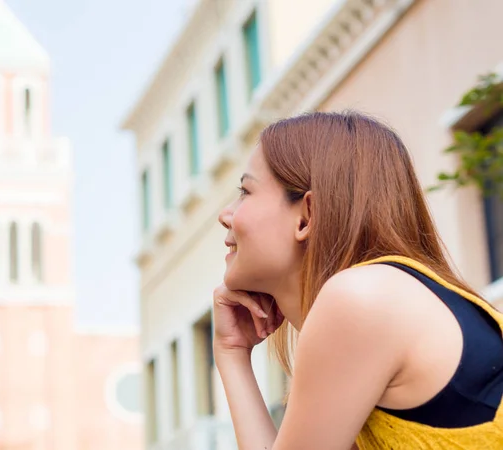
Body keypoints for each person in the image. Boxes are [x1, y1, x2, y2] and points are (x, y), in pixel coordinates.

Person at [214, 111, 503, 449]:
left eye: (245, 191)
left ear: (306, 216)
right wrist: (232, 352)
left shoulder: (361, 297)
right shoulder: (380, 298)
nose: (226, 215)